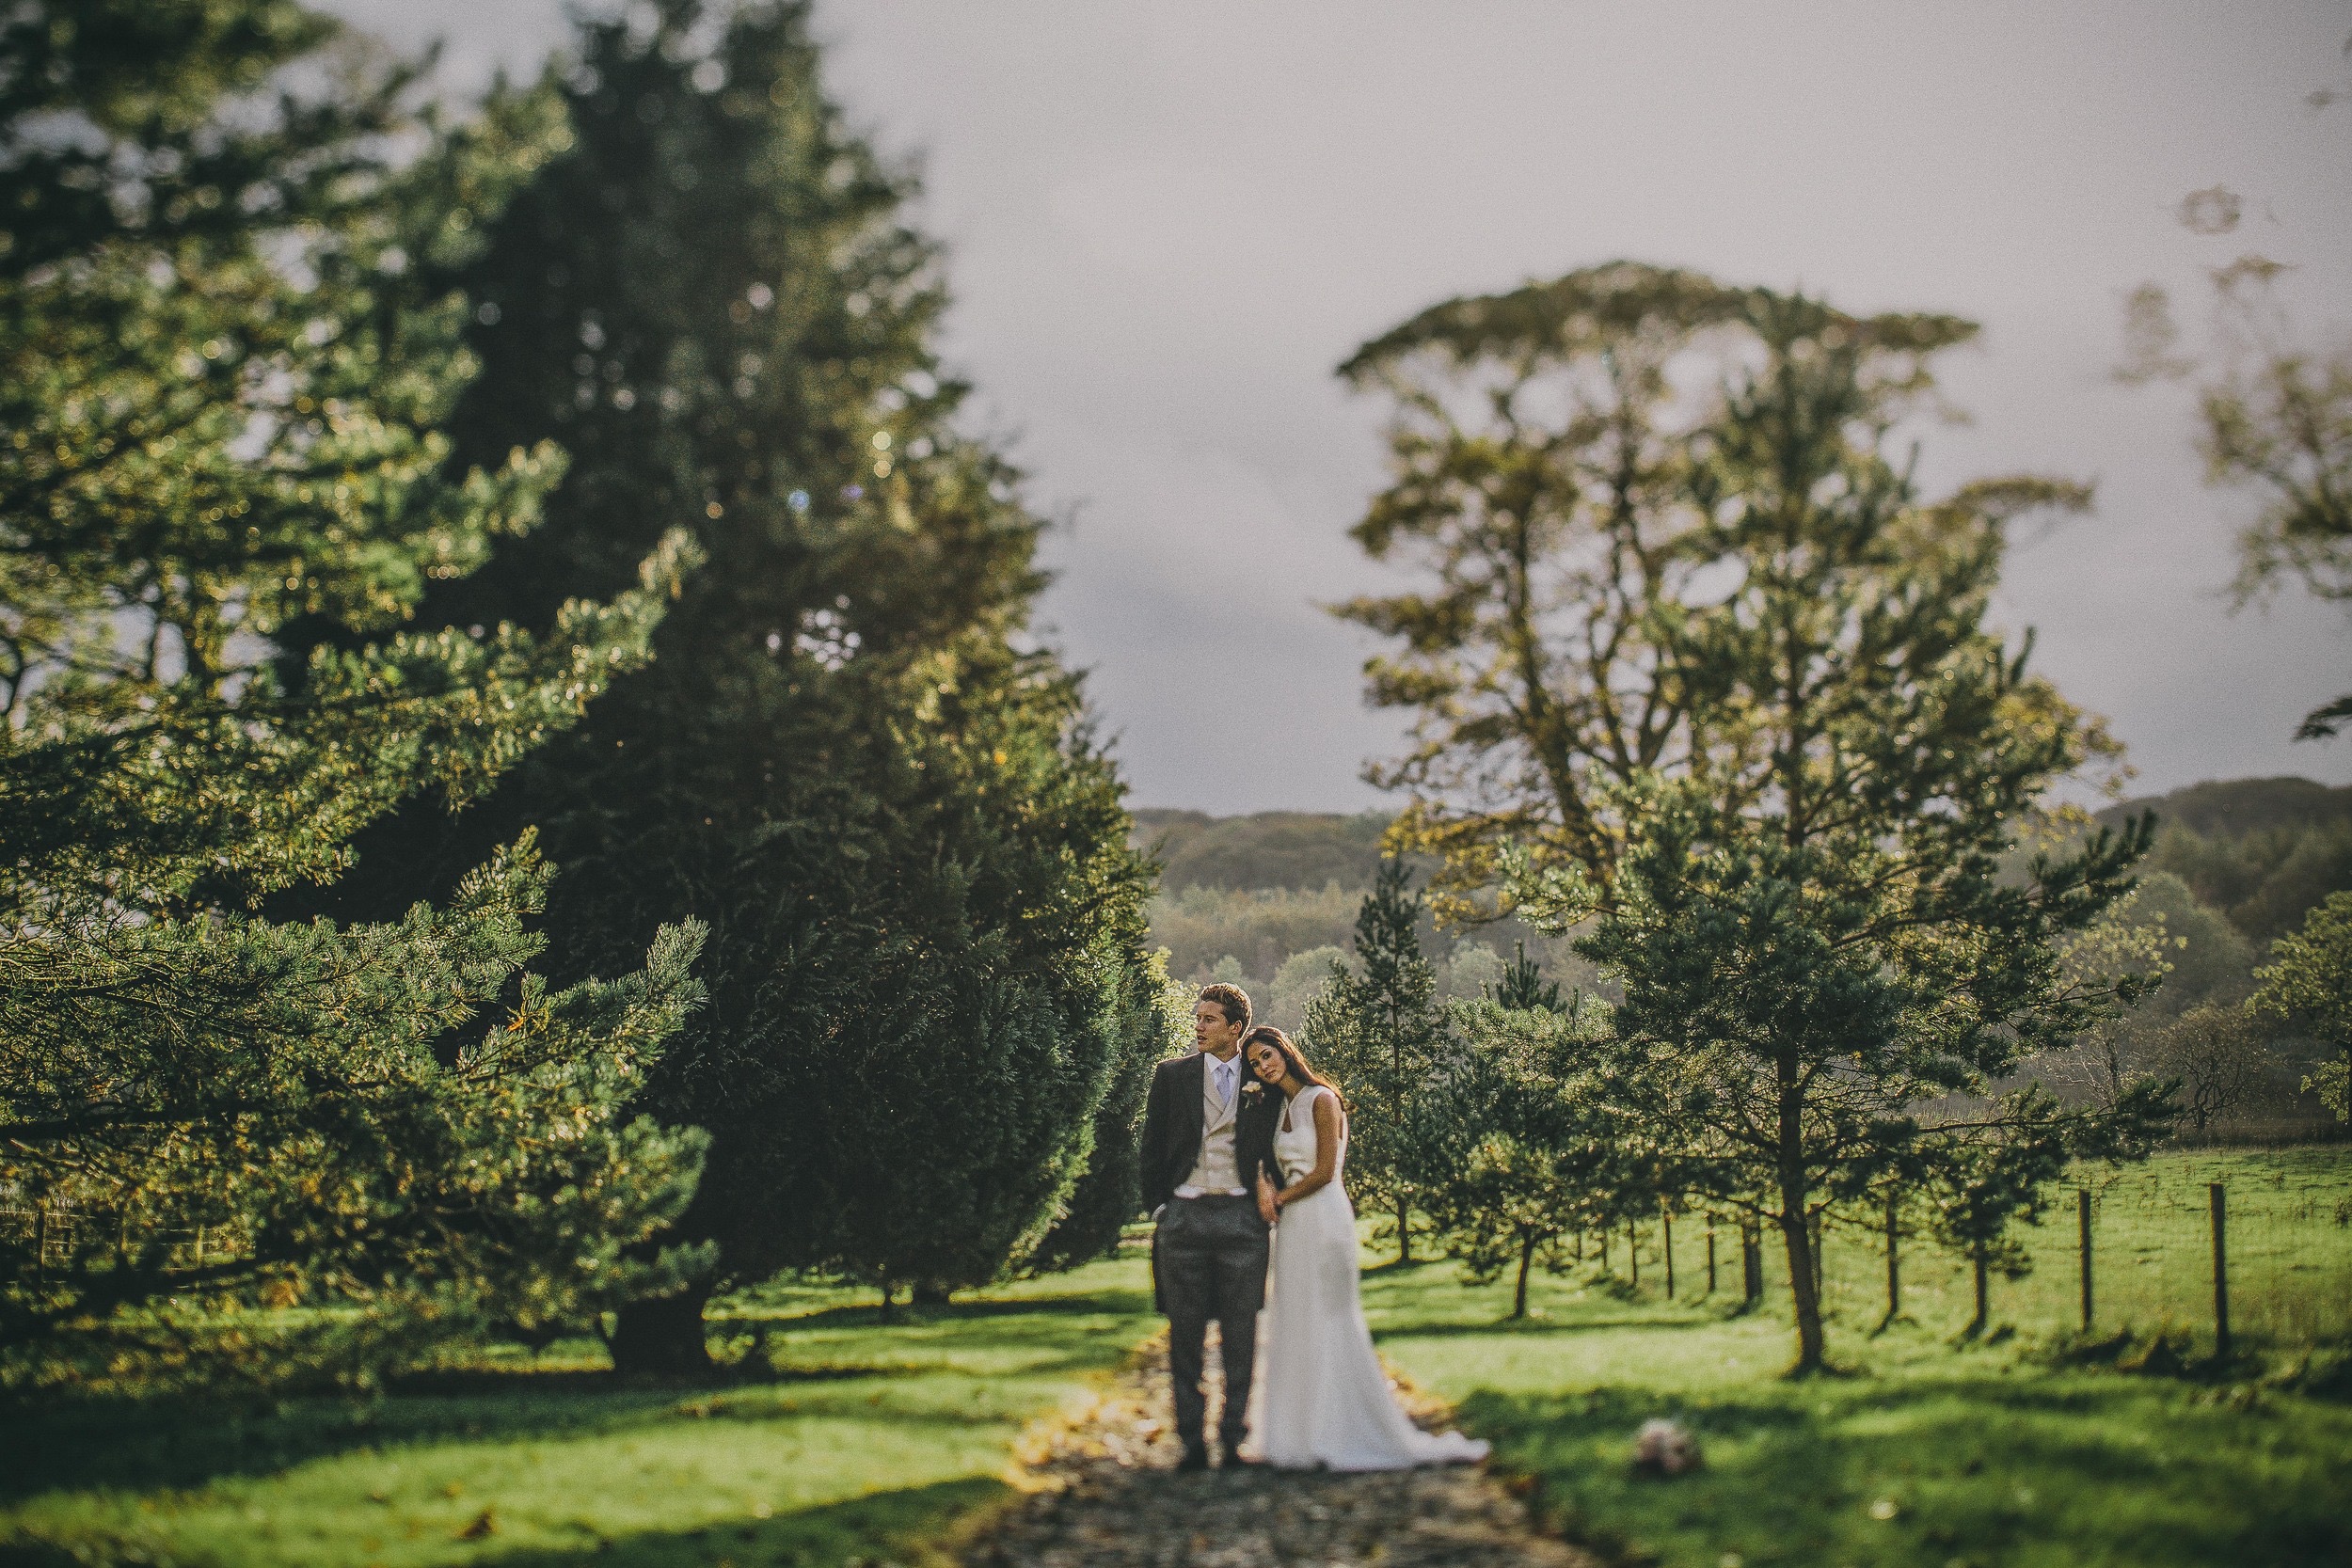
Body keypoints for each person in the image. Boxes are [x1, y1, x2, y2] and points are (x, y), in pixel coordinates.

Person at [1242, 1025, 1488, 1470]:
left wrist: (1277, 1199)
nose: (1264, 1066)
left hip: (1322, 1214)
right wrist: (1263, 1183)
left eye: (1267, 1055)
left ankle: (1343, 1429)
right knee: (1297, 1317)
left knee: (1332, 1317)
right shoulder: (1280, 1106)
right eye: (1256, 1063)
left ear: (1285, 1050)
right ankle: (1299, 1435)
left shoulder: (1322, 1099)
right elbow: (1270, 1162)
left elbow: (1324, 1172)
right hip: (1295, 1223)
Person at [1137, 983, 1282, 1470]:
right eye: (1196, 1018)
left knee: (1241, 1334)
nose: (1197, 1026)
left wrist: (1271, 1194)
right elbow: (1151, 1148)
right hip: (1185, 1216)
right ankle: (1192, 1442)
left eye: (1208, 1019)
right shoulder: (1172, 1075)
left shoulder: (1263, 1076)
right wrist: (1161, 1209)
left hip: (1243, 1218)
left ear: (1234, 1029)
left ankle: (1234, 1437)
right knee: (1185, 1334)